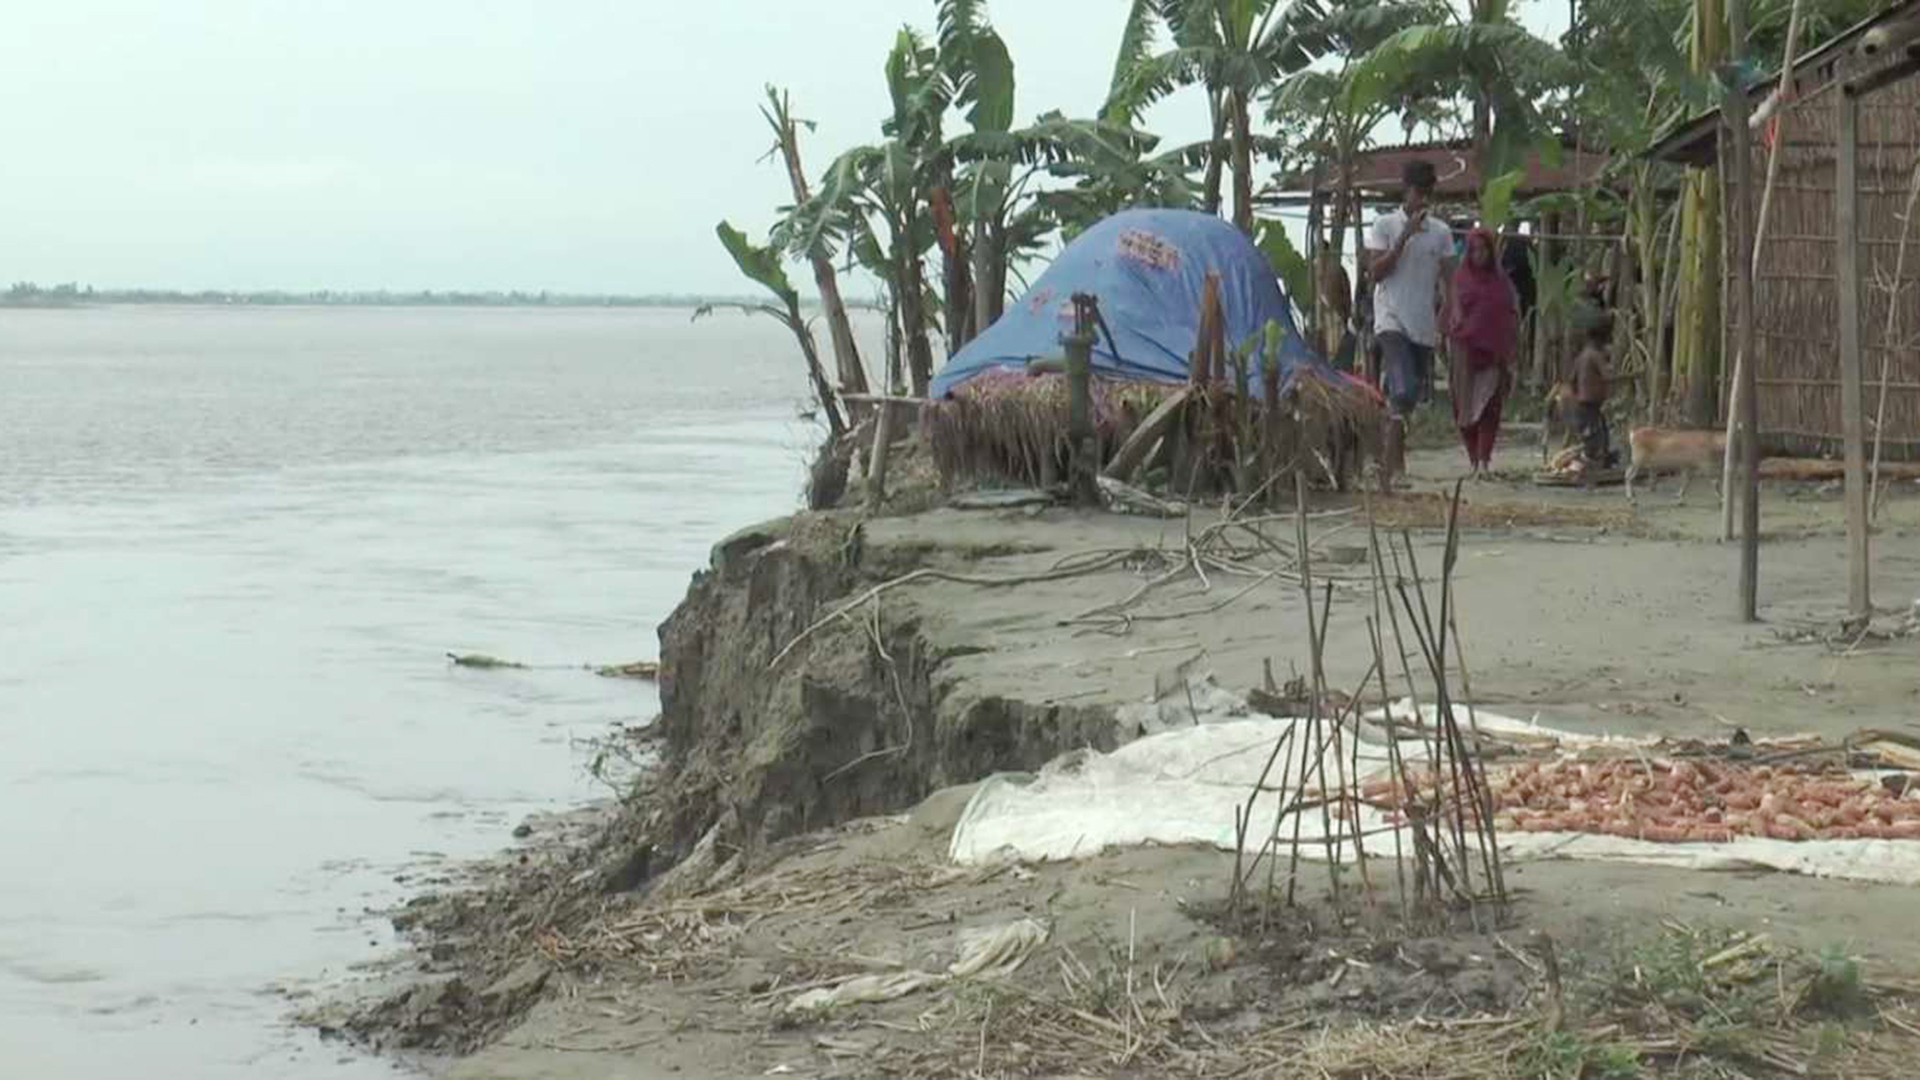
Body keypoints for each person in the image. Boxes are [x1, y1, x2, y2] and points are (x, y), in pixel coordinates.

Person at [1366, 160, 1456, 488]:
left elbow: (1450, 279)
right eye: (1418, 193)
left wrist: (1450, 314)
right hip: (1390, 318)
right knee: (1402, 388)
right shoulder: (1385, 225)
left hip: (1422, 324)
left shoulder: (1442, 233)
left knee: (1407, 397)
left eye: (1427, 194)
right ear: (1406, 191)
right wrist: (1404, 236)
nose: (1422, 200)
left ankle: (1390, 460)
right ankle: (1391, 467)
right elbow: (1375, 272)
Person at [1446, 228, 1519, 479]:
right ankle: (1473, 462)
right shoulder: (1460, 279)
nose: (1480, 254)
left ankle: (1485, 461)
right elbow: (1452, 311)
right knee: (1464, 407)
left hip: (1493, 354)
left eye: (1484, 249)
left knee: (1490, 407)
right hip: (1464, 352)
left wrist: (1510, 348)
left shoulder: (1501, 282)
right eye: (1474, 250)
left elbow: (1510, 315)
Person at [1572, 318, 1614, 468]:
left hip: (1583, 404)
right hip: (1591, 403)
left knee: (1596, 434)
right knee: (1595, 438)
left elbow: (1572, 379)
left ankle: (1599, 461)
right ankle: (1591, 464)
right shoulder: (1596, 355)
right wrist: (1630, 375)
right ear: (1601, 339)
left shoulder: (1581, 356)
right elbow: (1607, 377)